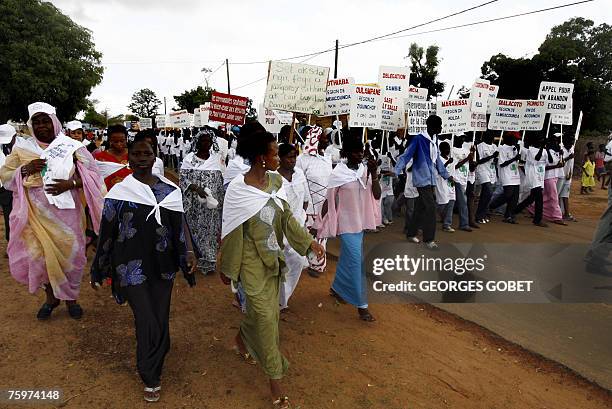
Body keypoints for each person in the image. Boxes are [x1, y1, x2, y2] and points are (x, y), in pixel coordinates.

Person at [220, 131, 324, 409]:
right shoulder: (238, 189)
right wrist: (228, 268)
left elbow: (288, 218)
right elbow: (231, 231)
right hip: (250, 264)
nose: (279, 157)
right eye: (275, 153)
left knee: (263, 314)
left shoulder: (277, 182)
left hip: (273, 261)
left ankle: (241, 339)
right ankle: (275, 382)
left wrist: (309, 243)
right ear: (260, 159)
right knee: (267, 319)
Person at [91, 138, 197, 403]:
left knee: (160, 317)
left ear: (154, 157)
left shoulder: (170, 191)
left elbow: (179, 225)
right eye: (136, 154)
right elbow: (107, 232)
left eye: (146, 153)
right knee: (146, 318)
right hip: (130, 266)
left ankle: (156, 360)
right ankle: (149, 374)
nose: (141, 158)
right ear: (129, 159)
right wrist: (101, 266)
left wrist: (188, 253)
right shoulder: (118, 192)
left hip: (163, 265)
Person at [0, 102, 106, 319]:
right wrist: (25, 169)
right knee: (40, 257)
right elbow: (6, 177)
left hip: (68, 214)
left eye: (45, 121)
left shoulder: (71, 146)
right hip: (35, 215)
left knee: (71, 257)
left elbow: (94, 175)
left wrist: (71, 184)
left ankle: (71, 299)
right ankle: (51, 298)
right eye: (36, 122)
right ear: (31, 125)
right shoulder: (22, 149)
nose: (41, 126)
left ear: (54, 122)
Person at [317, 131, 381, 321]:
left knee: (349, 259)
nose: (359, 155)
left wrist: (374, 174)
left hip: (360, 225)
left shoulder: (365, 171)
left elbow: (376, 195)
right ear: (346, 152)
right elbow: (329, 200)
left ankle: (337, 289)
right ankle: (362, 306)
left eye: (361, 151)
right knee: (356, 263)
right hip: (345, 225)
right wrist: (319, 223)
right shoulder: (338, 173)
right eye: (355, 152)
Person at [395, 115, 449, 249]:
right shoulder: (418, 139)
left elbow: (436, 161)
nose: (441, 128)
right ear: (432, 126)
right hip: (421, 179)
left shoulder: (435, 140)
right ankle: (429, 239)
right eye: (439, 125)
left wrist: (446, 175)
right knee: (431, 207)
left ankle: (411, 232)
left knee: (420, 207)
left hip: (431, 179)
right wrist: (396, 171)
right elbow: (406, 156)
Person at [179, 128, 225, 275]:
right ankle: (194, 258)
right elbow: (183, 179)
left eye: (208, 140)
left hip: (211, 207)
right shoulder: (189, 159)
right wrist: (196, 188)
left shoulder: (216, 159)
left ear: (212, 142)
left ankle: (209, 262)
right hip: (194, 206)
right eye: (202, 140)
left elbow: (221, 181)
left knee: (210, 232)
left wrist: (217, 200)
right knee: (194, 231)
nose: (206, 143)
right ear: (197, 142)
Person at [296, 126, 333, 277]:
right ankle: (305, 261)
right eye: (323, 138)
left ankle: (317, 264)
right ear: (315, 139)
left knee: (321, 234)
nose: (326, 140)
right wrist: (305, 206)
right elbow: (298, 182)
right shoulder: (302, 160)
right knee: (308, 233)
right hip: (309, 205)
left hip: (323, 204)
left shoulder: (326, 158)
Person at [276, 143, 310, 311]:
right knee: (278, 265)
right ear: (280, 158)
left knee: (296, 261)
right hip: (278, 230)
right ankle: (277, 300)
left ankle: (284, 297)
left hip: (297, 227)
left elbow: (305, 200)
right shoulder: (273, 178)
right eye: (289, 157)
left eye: (294, 156)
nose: (292, 160)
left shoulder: (300, 175)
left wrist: (300, 218)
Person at [514, 134, 549, 227]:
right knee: (539, 199)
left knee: (531, 199)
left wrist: (547, 149)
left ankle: (513, 211)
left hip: (540, 177)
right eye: (540, 140)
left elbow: (549, 160)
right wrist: (542, 147)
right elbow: (537, 158)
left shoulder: (544, 150)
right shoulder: (530, 150)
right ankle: (537, 220)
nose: (541, 142)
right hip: (533, 177)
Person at [489, 132, 521, 223]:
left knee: (515, 197)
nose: (517, 140)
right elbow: (502, 164)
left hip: (515, 174)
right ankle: (491, 206)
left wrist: (517, 153)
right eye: (515, 139)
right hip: (506, 175)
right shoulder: (501, 148)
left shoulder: (514, 148)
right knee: (508, 194)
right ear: (509, 138)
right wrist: (514, 159)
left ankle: (509, 215)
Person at [95, 124, 131, 190]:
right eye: (115, 141)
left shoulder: (134, 155)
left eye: (122, 141)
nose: (119, 144)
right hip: (108, 196)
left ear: (126, 139)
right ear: (109, 140)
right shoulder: (100, 158)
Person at [452, 134, 474, 232]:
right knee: (462, 202)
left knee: (451, 202)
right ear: (455, 138)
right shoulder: (452, 150)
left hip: (465, 179)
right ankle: (464, 224)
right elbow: (454, 166)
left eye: (463, 138)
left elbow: (471, 167)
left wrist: (472, 157)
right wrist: (467, 159)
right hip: (456, 179)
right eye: (460, 138)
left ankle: (446, 220)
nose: (462, 140)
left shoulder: (467, 151)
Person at [474, 131, 498, 224]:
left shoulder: (495, 146)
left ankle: (482, 214)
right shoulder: (480, 146)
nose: (491, 138)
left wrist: (496, 158)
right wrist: (492, 156)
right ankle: (480, 214)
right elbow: (479, 161)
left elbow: (495, 161)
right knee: (488, 191)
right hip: (482, 170)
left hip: (491, 171)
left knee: (486, 194)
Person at [0, 124, 18, 245]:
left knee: (14, 217)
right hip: (3, 188)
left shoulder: (21, 148)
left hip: (13, 189)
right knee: (9, 217)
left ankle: (15, 244)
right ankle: (11, 243)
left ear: (15, 136)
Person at [436, 141, 456, 232]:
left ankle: (447, 224)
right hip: (441, 183)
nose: (448, 150)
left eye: (449, 149)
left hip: (450, 184)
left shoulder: (451, 159)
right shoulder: (438, 159)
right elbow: (439, 170)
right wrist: (447, 162)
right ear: (441, 150)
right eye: (446, 149)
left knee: (451, 203)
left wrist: (453, 179)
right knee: (442, 204)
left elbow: (453, 171)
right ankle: (429, 215)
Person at [558, 137, 576, 221]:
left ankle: (566, 213)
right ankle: (556, 213)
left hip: (568, 177)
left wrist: (570, 173)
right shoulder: (561, 149)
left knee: (565, 195)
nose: (572, 144)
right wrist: (568, 157)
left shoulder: (571, 149)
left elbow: (571, 164)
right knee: (557, 195)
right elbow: (559, 161)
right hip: (560, 176)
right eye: (570, 143)